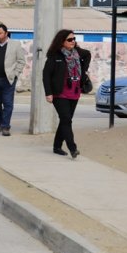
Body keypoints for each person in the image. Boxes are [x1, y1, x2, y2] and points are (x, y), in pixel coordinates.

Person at [43, 29, 91, 159]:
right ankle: (72, 148)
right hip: (60, 93)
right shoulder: (55, 56)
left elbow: (88, 55)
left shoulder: (78, 53)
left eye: (74, 39)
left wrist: (84, 70)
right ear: (62, 41)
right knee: (66, 120)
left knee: (65, 120)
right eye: (70, 40)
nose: (73, 41)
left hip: (74, 92)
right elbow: (46, 75)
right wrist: (48, 93)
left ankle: (57, 146)